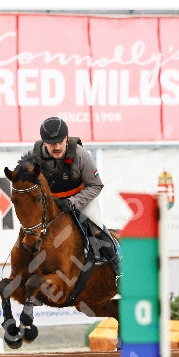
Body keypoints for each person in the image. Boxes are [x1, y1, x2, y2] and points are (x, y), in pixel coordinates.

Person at [31, 116, 120, 278]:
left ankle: (118, 270)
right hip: (52, 204)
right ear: (44, 143)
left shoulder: (81, 155)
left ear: (66, 138)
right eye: (52, 144)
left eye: (60, 142)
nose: (57, 147)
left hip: (81, 198)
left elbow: (96, 185)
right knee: (31, 230)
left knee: (95, 225)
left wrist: (72, 202)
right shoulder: (34, 159)